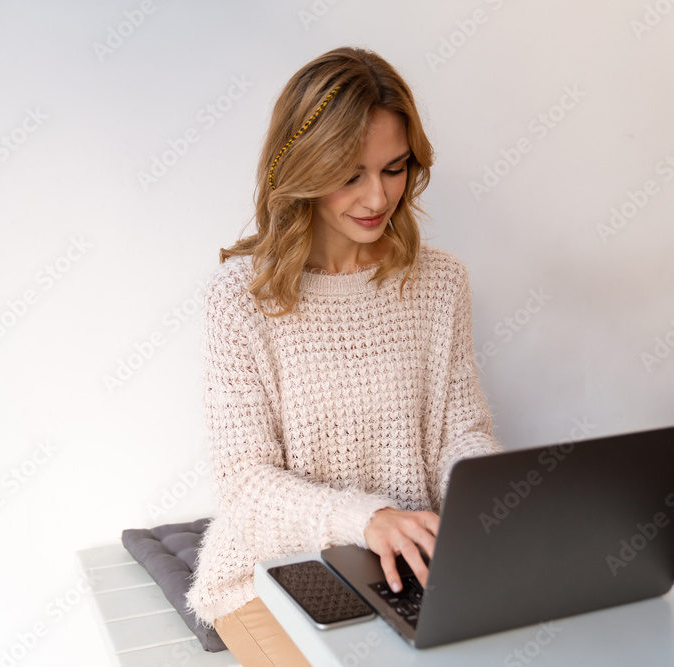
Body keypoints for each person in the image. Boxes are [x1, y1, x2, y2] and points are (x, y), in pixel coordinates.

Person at [184, 46, 502, 666]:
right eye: (350, 174)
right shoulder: (240, 301)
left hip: (409, 567)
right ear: (301, 167)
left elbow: (462, 434)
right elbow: (246, 486)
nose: (378, 197)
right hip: (269, 574)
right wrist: (368, 518)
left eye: (395, 168)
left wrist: (485, 497)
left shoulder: (440, 283)